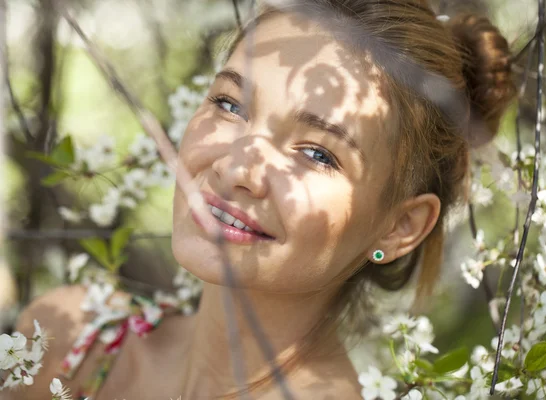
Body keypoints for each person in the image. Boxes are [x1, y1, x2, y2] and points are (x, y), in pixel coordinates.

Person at [4, 0, 516, 399]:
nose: (237, 167)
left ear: (399, 226)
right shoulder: (64, 338)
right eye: (229, 104)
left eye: (317, 153)